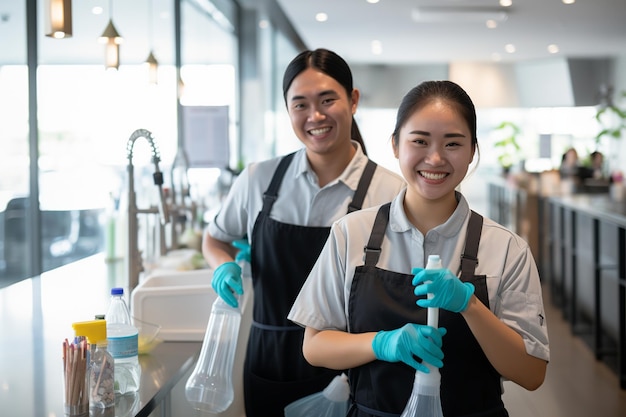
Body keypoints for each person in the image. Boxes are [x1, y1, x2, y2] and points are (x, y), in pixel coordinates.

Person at [288, 80, 549, 417]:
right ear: (396, 145)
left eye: (453, 143)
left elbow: (531, 373)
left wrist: (469, 305)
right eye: (420, 141)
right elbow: (315, 346)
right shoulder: (350, 233)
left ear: (472, 150)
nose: (436, 158)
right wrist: (382, 343)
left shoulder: (506, 249)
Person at [202, 48, 406, 417]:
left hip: (354, 370)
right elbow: (215, 238)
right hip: (270, 362)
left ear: (353, 100)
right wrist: (222, 265)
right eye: (300, 105)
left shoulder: (390, 193)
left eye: (328, 100)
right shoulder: (258, 180)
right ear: (287, 110)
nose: (315, 116)